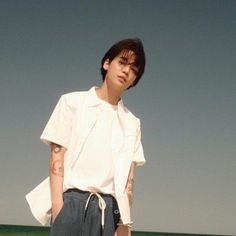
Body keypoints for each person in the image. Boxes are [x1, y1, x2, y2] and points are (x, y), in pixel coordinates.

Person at [26, 38, 146, 236]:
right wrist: (59, 210)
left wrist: (125, 223)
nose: (126, 71)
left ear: (134, 80)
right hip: (71, 202)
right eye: (122, 62)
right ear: (107, 63)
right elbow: (57, 156)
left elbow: (128, 180)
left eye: (133, 69)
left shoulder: (133, 123)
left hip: (109, 210)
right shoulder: (72, 102)